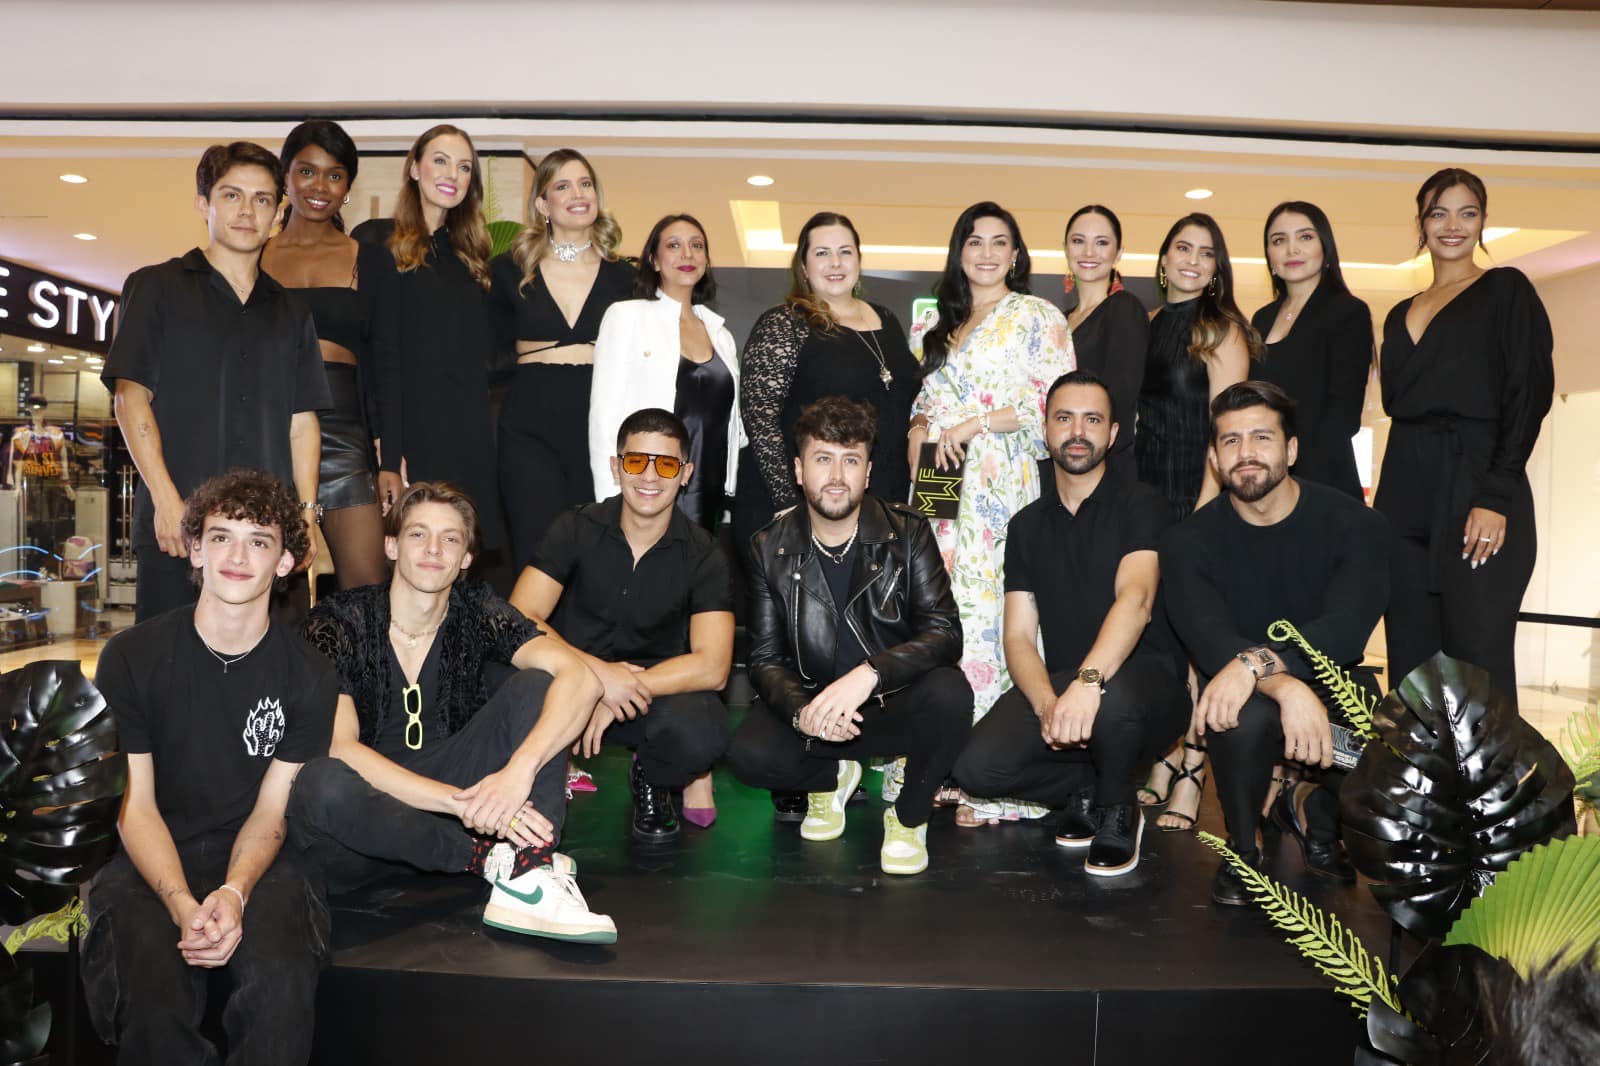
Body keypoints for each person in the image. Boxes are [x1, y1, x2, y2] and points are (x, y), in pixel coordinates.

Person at [83, 471, 337, 1066]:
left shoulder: (310, 674)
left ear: (286, 562)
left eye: (258, 541)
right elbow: (134, 807)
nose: (237, 557)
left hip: (259, 859)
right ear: (195, 549)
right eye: (221, 537)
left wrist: (233, 892)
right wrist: (181, 903)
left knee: (279, 990)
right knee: (151, 1001)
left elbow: (271, 812)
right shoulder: (131, 657)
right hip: (150, 850)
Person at [291, 481, 615, 943]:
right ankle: (493, 862)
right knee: (320, 781)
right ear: (391, 546)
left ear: (465, 558)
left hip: (460, 797)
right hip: (366, 828)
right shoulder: (338, 621)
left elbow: (583, 680)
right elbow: (342, 748)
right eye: (418, 534)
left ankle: (531, 868)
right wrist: (458, 804)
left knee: (540, 684)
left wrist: (518, 774)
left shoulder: (476, 610)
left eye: (450, 538)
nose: (433, 549)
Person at [952, 370, 1189, 876]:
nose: (1077, 431)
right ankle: (1088, 787)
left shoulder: (1142, 504)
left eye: (1092, 420)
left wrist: (1087, 682)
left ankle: (1119, 807)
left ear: (1113, 433)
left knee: (1113, 703)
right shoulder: (1026, 526)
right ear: (1045, 430)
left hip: (1147, 685)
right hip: (1069, 684)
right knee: (976, 767)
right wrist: (1046, 705)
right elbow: (1018, 635)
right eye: (1064, 418)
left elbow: (1136, 599)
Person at [1160, 382, 1388, 906]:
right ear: (1215, 458)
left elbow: (1347, 628)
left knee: (1388, 784)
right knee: (1235, 712)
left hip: (1336, 680)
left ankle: (1312, 809)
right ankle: (1244, 847)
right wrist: (1283, 685)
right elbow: (1207, 636)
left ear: (1291, 449)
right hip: (1246, 691)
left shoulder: (1357, 525)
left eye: (1262, 437)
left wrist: (1256, 662)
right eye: (1231, 441)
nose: (1247, 453)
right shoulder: (1186, 542)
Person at [727, 397, 973, 876]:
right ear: (799, 470)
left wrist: (870, 674)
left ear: (868, 472)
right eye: (823, 459)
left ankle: (909, 817)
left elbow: (945, 633)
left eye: (851, 460)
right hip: (818, 711)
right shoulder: (768, 546)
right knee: (748, 754)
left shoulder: (907, 532)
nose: (837, 476)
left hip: (888, 703)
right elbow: (764, 658)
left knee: (951, 694)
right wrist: (803, 713)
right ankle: (833, 776)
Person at [104, 141, 329, 620]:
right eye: (231, 196)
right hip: (179, 529)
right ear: (203, 204)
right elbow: (129, 399)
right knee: (169, 660)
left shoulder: (293, 312)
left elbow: (302, 423)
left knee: (279, 659)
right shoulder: (156, 288)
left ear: (278, 213)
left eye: (262, 199)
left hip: (270, 536)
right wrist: (166, 501)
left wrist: (307, 515)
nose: (247, 211)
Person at [908, 200, 1075, 827]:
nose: (985, 253)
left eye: (998, 241)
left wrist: (974, 424)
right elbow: (925, 403)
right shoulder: (942, 325)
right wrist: (920, 431)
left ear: (1016, 254)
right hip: (938, 481)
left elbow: (1054, 407)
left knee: (991, 617)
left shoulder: (1037, 315)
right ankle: (936, 765)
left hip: (999, 481)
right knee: (939, 612)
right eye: (973, 241)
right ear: (959, 252)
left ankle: (988, 778)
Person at [512, 409, 734, 839]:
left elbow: (714, 666)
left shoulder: (704, 553)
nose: (649, 476)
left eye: (665, 464)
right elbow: (520, 615)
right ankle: (545, 768)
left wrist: (624, 688)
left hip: (650, 698)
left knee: (702, 730)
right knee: (504, 678)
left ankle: (651, 773)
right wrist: (597, 676)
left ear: (685, 474)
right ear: (617, 467)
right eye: (636, 461)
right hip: (569, 684)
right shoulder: (575, 527)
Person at [1375, 168, 1553, 707]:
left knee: (1478, 666)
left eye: (1467, 213)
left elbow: (1528, 396)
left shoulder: (1506, 290)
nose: (1452, 225)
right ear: (1421, 223)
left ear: (1482, 222)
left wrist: (1495, 495)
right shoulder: (1398, 314)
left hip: (1478, 486)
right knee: (1411, 667)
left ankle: (1490, 771)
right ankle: (1416, 767)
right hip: (1403, 494)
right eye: (1439, 213)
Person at [1134, 211, 1262, 833]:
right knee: (1160, 642)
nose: (1191, 260)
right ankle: (1163, 759)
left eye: (1205, 252)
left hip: (1198, 498)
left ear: (1217, 268)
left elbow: (1226, 430)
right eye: (1181, 248)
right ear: (1163, 260)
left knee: (1196, 648)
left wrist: (1207, 513)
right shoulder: (1147, 323)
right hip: (1147, 496)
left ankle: (1191, 773)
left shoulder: (1223, 330)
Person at [354, 125, 511, 590]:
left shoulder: (474, 259)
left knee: (464, 564)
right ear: (414, 168)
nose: (451, 175)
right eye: (440, 160)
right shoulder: (377, 242)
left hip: (469, 434)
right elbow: (375, 353)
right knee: (409, 561)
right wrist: (386, 447)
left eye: (464, 167)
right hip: (409, 432)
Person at [733, 211, 920, 550]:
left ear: (858, 260)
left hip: (877, 506)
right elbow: (761, 420)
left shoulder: (887, 318)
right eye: (822, 253)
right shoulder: (784, 323)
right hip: (801, 510)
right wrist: (789, 506)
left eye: (845, 251)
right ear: (804, 267)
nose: (835, 262)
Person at [491, 148, 635, 566]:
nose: (578, 193)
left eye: (585, 184)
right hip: (529, 417)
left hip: (600, 417)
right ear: (542, 204)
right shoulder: (508, 269)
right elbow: (486, 351)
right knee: (537, 548)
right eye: (563, 186)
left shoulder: (626, 275)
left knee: (595, 547)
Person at [262, 119, 390, 589]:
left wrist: (389, 454)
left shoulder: (369, 258)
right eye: (306, 171)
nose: (320, 186)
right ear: (285, 177)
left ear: (347, 187)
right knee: (275, 586)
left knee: (368, 590)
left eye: (334, 175)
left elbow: (386, 363)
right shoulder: (253, 255)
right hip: (270, 427)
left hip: (345, 432)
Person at [588, 213, 741, 530]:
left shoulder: (721, 334)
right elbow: (604, 418)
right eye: (674, 245)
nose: (687, 254)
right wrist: (609, 503)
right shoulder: (626, 317)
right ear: (654, 260)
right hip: (648, 483)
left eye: (696, 245)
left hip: (708, 488)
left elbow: (731, 425)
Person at [1250, 200, 1372, 501]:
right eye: (1279, 240)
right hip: (1265, 480)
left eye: (1305, 237)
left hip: (1322, 482)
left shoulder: (1348, 312)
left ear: (1325, 248)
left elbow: (1343, 416)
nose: (1292, 249)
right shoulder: (1262, 318)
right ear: (1269, 255)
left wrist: (1293, 484)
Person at [1062, 205, 1146, 479]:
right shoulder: (1059, 320)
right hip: (1062, 464)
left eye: (1101, 243)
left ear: (1118, 253)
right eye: (1078, 241)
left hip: (1104, 468)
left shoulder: (1124, 309)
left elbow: (1120, 400)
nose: (1088, 252)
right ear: (1065, 249)